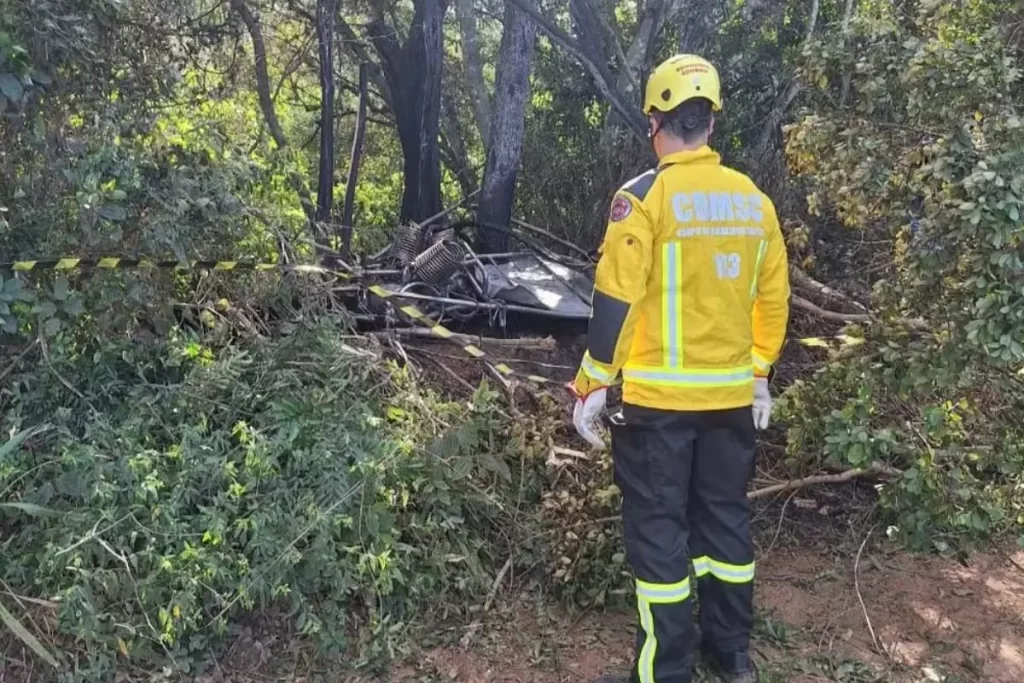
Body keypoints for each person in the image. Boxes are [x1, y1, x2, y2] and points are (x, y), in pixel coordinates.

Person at [569, 54, 790, 683]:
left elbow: (617, 299)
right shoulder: (754, 203)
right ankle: (733, 657)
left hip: (658, 407)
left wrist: (592, 382)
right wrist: (758, 374)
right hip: (729, 404)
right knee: (724, 522)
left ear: (655, 123)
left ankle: (665, 672)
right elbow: (773, 299)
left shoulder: (642, 199)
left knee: (660, 535)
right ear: (711, 123)